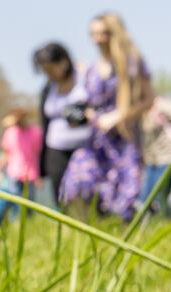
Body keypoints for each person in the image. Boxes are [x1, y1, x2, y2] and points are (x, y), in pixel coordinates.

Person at [58, 12, 152, 219]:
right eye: (93, 34)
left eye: (103, 34)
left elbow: (148, 100)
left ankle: (123, 227)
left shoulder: (132, 64)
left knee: (123, 192)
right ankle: (86, 226)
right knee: (80, 176)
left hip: (124, 137)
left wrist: (119, 116)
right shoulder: (90, 68)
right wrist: (87, 115)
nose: (97, 39)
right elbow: (90, 104)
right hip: (97, 140)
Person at [33, 42, 91, 202]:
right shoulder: (48, 88)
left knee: (85, 190)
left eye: (51, 69)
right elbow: (44, 122)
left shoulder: (85, 77)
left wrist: (82, 116)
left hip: (85, 144)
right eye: (45, 71)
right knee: (60, 191)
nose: (49, 74)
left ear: (63, 61)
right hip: (56, 147)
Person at [0, 107, 47, 207]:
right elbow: (6, 154)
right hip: (14, 174)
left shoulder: (36, 132)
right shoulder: (10, 132)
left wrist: (39, 176)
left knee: (29, 205)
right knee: (14, 204)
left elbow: (39, 154)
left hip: (30, 174)